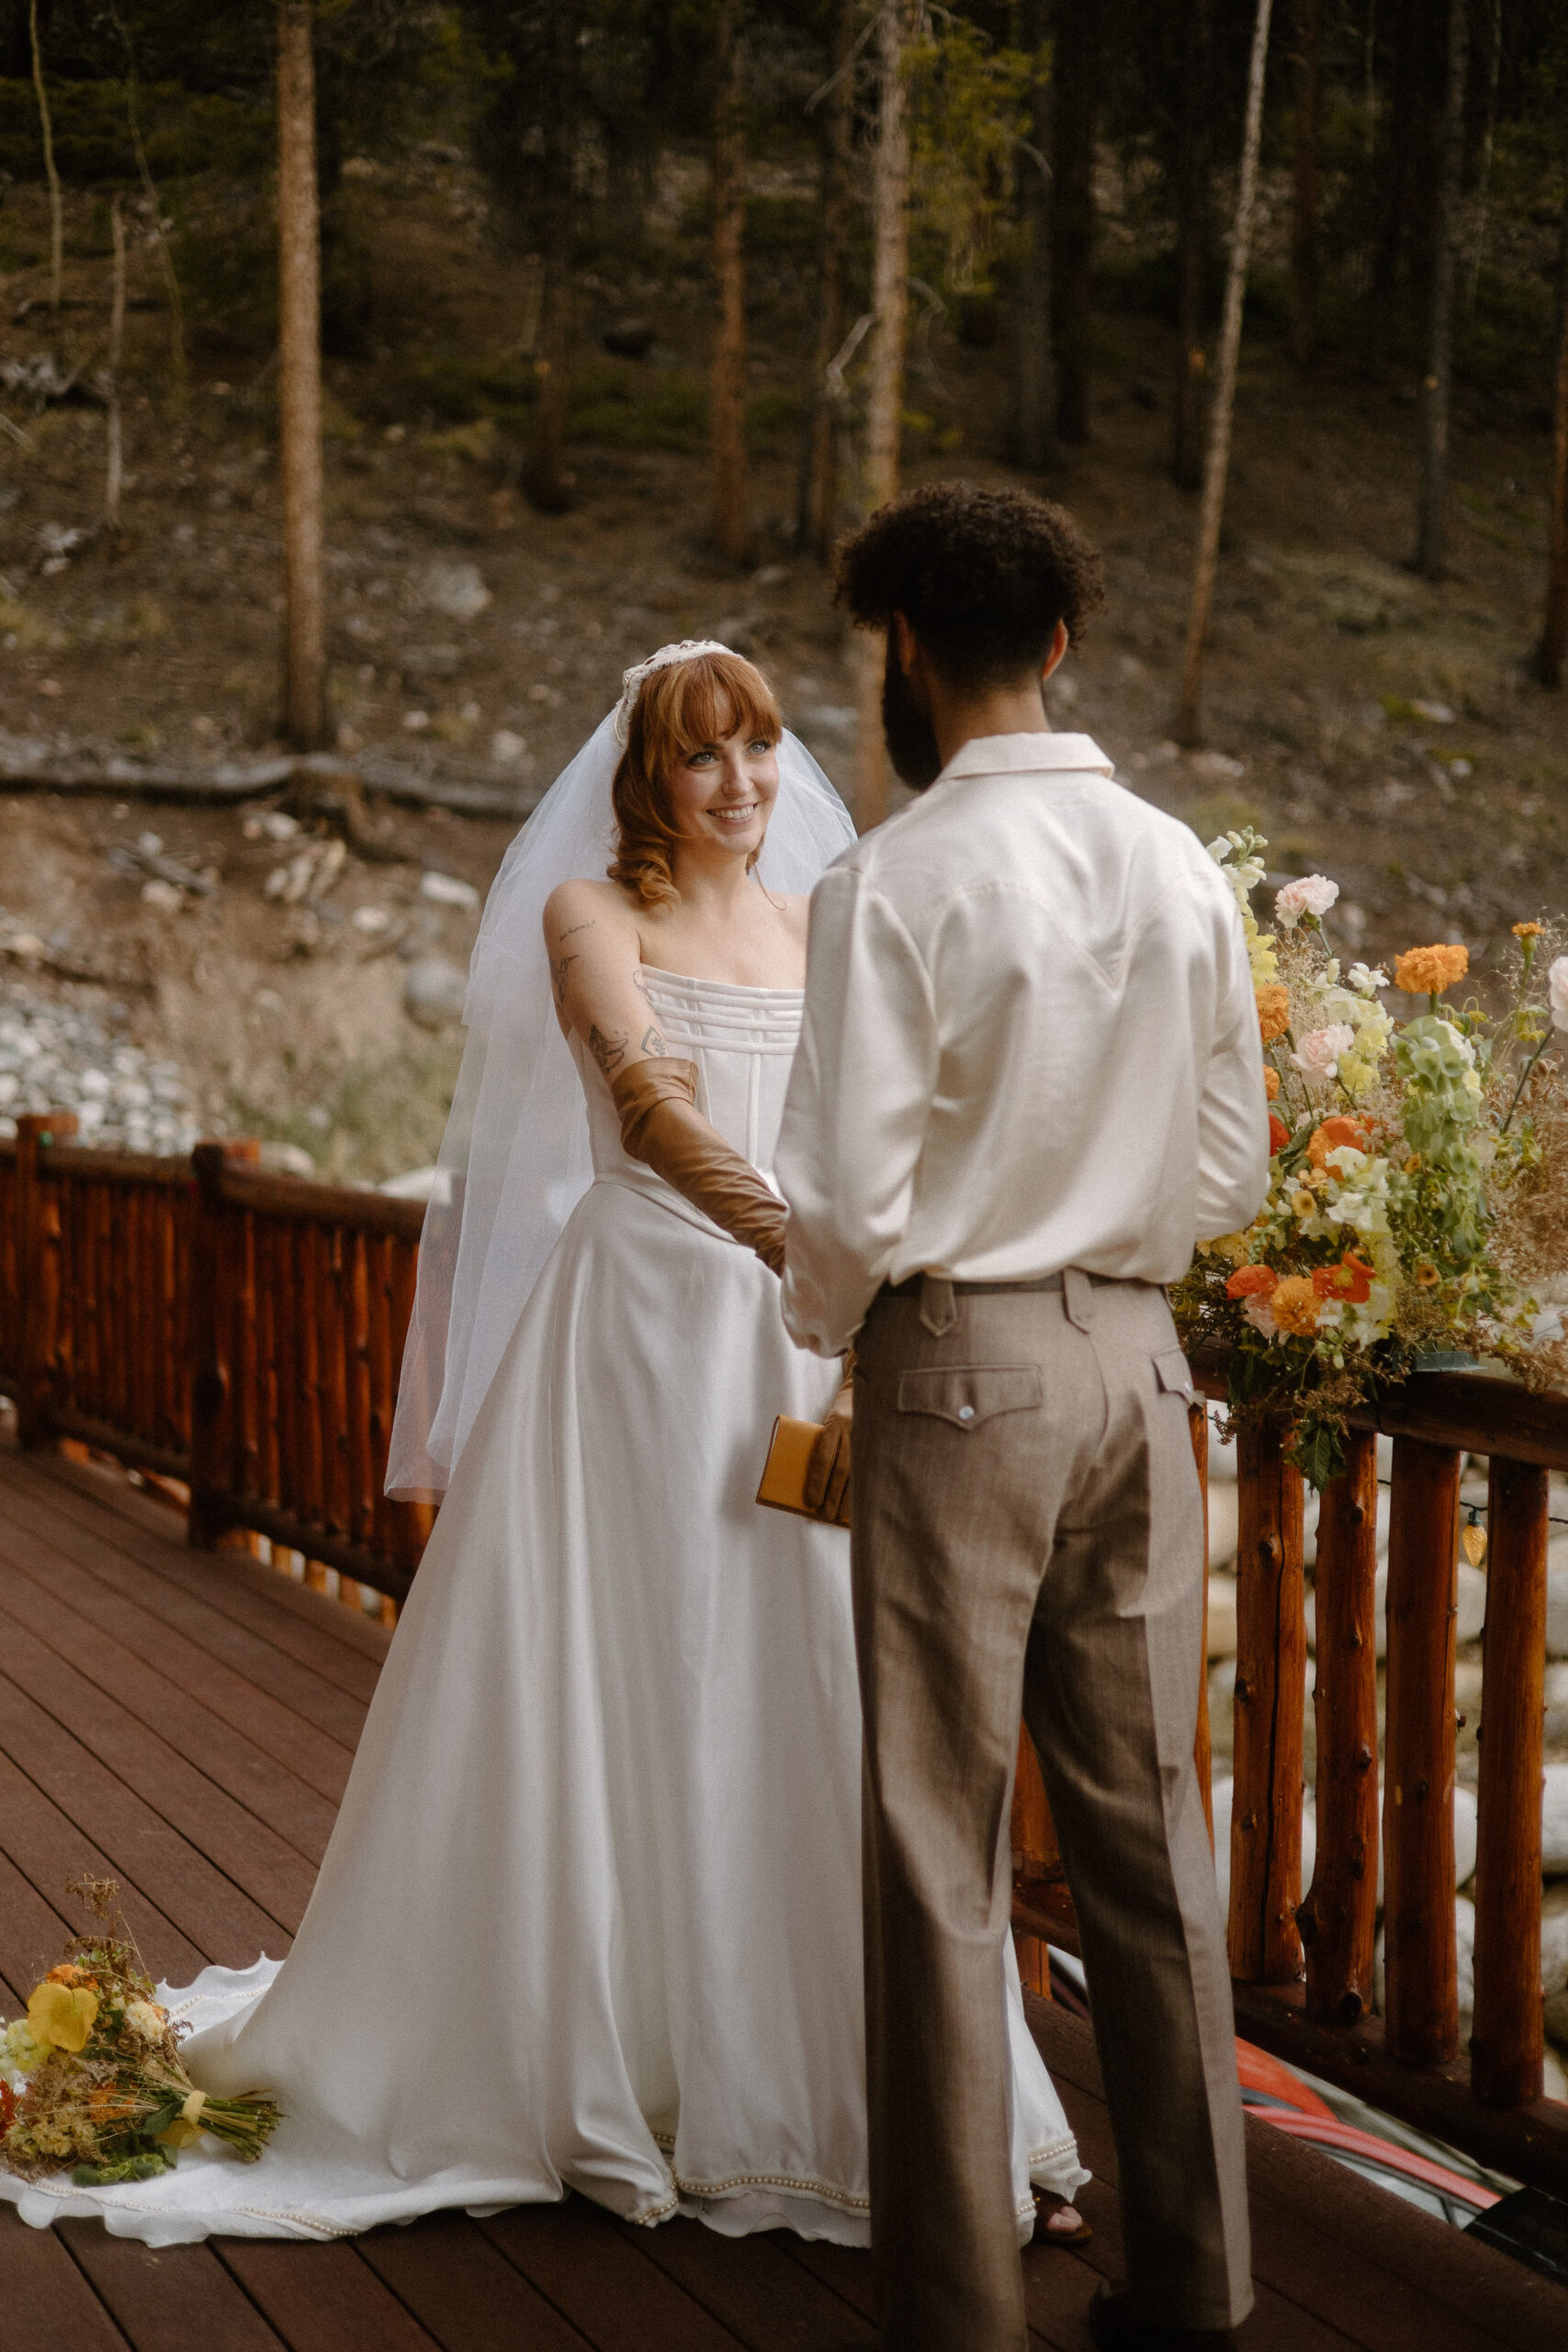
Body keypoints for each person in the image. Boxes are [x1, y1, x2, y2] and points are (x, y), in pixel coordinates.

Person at [0, 642, 1088, 2250]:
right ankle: (606, 2061)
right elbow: (645, 1107)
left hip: (796, 1349)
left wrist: (895, 1255)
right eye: (705, 758)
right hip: (647, 1331)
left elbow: (885, 1114)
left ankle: (858, 2096)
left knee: (807, 1687)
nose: (742, 788)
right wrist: (808, 1248)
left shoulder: (816, 920)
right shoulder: (595, 914)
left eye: (763, 753)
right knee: (632, 1672)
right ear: (646, 776)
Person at [775, 489, 1271, 2352]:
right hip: (1141, 1373)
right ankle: (1199, 2283)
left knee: (936, 1846)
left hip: (956, 1368)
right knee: (1151, 1839)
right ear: (1060, 640)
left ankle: (957, 2314)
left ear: (904, 647)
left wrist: (826, 1332)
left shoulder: (889, 879)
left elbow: (840, 1200)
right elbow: (1225, 1165)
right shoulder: (1176, 867)